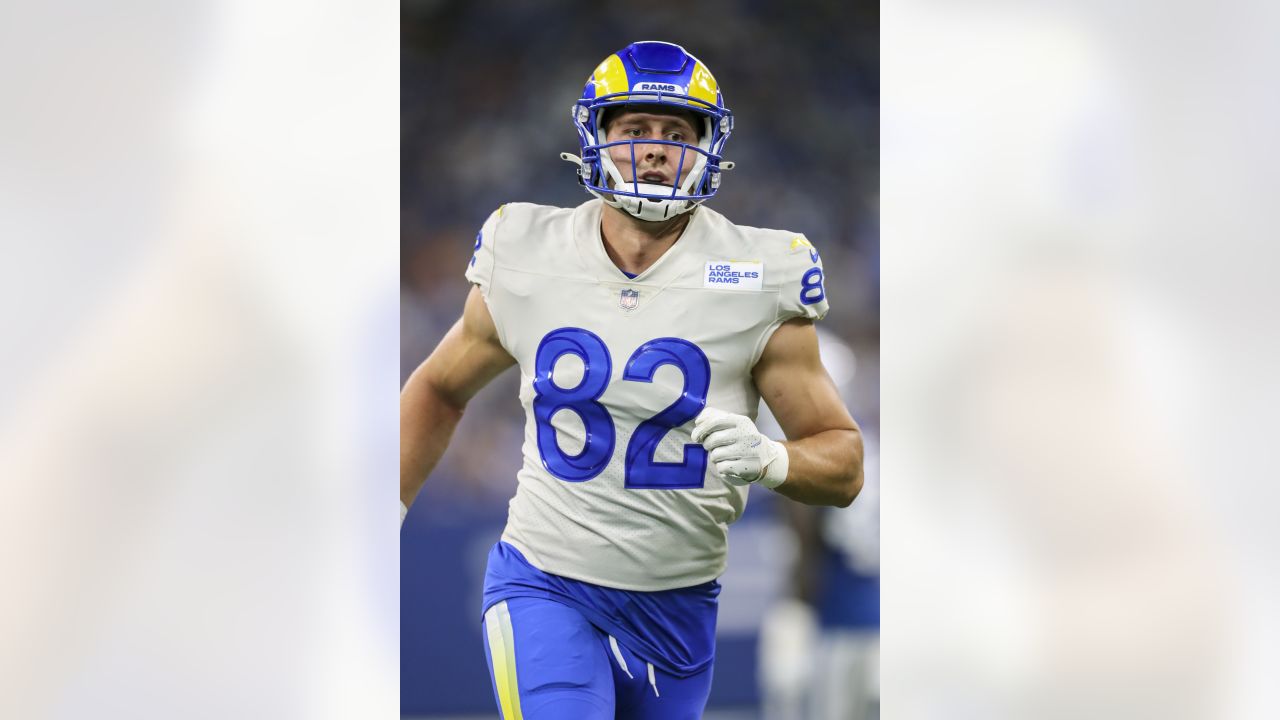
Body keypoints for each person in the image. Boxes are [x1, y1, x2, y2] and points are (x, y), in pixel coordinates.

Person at [401, 40, 865, 719]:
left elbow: (844, 462)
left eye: (675, 133)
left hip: (678, 608)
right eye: (635, 130)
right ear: (596, 138)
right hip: (544, 580)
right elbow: (440, 387)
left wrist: (773, 459)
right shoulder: (526, 251)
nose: (653, 150)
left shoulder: (759, 274)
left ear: (708, 146)